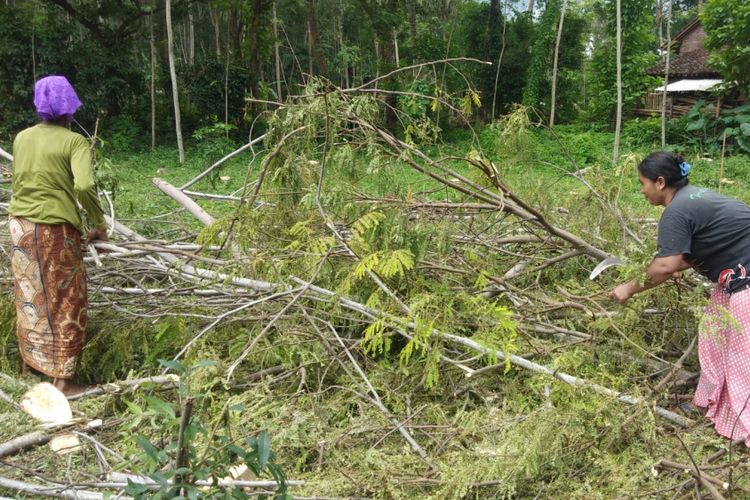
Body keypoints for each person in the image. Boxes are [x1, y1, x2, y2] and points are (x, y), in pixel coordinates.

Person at [610, 151, 750, 445]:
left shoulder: (676, 211)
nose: (641, 190)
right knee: (714, 338)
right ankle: (713, 403)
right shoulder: (697, 197)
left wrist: (628, 288)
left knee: (742, 356)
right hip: (734, 281)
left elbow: (666, 266)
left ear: (660, 182)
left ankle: (742, 422)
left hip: (745, 283)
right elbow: (689, 255)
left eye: (642, 183)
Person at [8, 75, 108, 396]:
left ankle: (32, 364)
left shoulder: (21, 138)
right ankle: (63, 382)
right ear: (70, 109)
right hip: (54, 230)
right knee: (68, 299)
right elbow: (84, 186)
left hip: (19, 227)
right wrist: (98, 223)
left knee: (30, 294)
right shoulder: (74, 142)